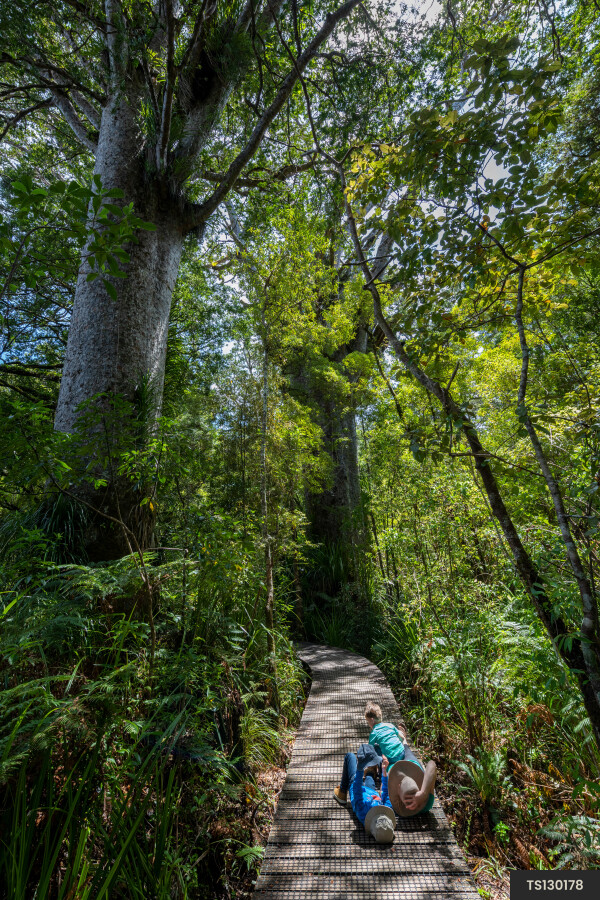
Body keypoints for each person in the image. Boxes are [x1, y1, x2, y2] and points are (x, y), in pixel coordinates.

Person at [333, 744, 396, 843]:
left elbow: (357, 789)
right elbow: (386, 794)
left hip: (356, 788)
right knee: (370, 777)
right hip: (371, 791)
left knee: (350, 756)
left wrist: (359, 769)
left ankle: (342, 792)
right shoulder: (387, 811)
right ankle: (370, 771)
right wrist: (384, 771)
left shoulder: (363, 812)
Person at [387, 746, 437, 817]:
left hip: (394, 767)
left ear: (398, 788)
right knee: (407, 751)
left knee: (387, 758)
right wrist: (423, 793)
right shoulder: (427, 804)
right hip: (413, 765)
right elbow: (432, 764)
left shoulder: (396, 806)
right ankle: (405, 743)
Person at [365, 701, 406, 766]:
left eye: (368, 721)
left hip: (391, 758)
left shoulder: (374, 732)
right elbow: (401, 738)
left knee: (376, 747)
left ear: (372, 720)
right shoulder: (390, 725)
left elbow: (370, 749)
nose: (368, 724)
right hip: (402, 753)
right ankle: (401, 733)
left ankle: (380, 767)